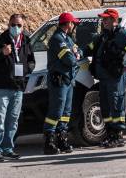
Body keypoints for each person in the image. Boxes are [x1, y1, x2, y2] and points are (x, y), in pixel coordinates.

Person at [0, 14, 35, 162]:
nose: (16, 28)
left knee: (13, 120)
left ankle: (8, 148)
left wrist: (27, 70)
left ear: (23, 27)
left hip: (18, 87)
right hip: (1, 87)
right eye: (13, 25)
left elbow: (31, 60)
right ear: (8, 24)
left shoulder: (26, 41)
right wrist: (1, 53)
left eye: (19, 25)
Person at [89, 8, 126, 148]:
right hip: (104, 78)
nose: (103, 21)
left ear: (114, 20)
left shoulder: (122, 34)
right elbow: (91, 48)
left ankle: (118, 136)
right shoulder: (104, 35)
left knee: (116, 105)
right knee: (106, 107)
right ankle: (110, 134)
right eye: (103, 19)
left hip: (115, 78)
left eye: (106, 19)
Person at [42, 12, 81, 155]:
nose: (73, 26)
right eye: (73, 23)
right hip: (59, 81)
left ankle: (62, 138)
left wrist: (76, 53)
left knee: (65, 112)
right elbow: (69, 60)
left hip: (68, 81)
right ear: (68, 24)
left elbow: (79, 51)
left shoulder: (67, 39)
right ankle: (49, 141)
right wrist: (75, 54)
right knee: (56, 111)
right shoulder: (57, 39)